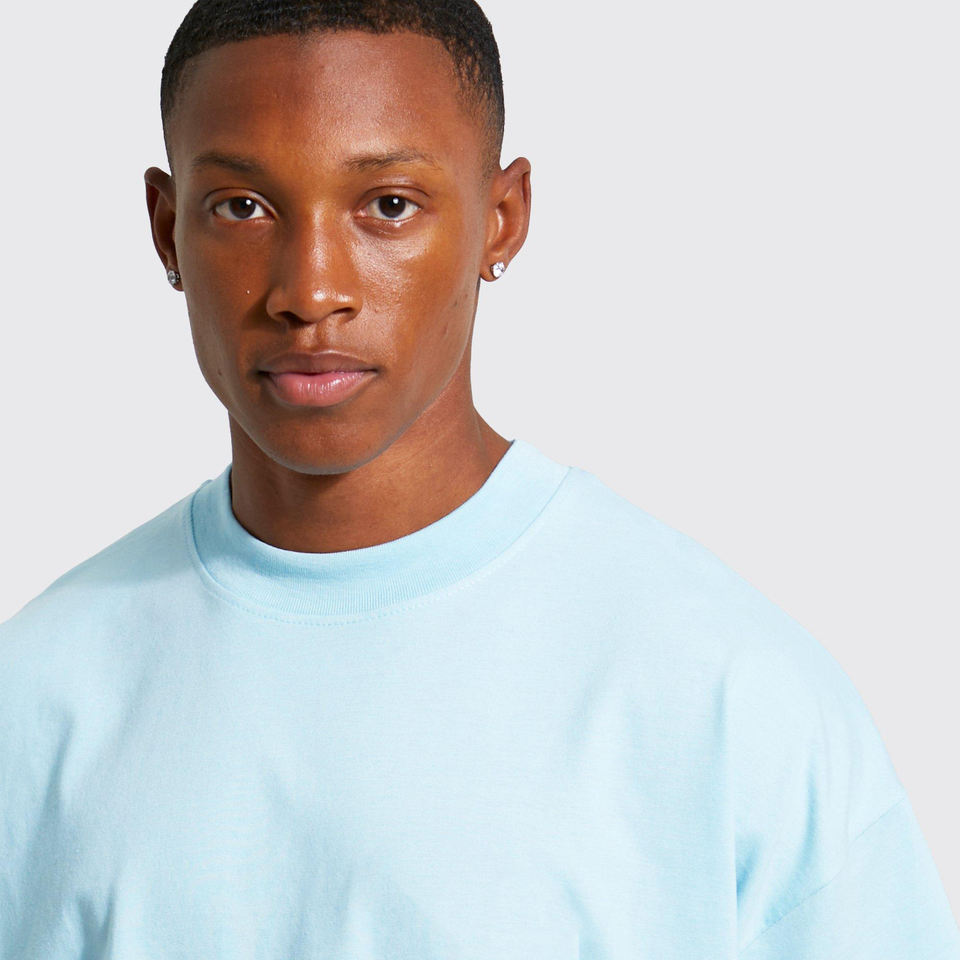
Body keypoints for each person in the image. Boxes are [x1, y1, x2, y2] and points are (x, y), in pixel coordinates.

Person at [1, 0, 957, 956]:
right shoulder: (36, 697)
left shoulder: (726, 697)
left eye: (388, 205)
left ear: (503, 220)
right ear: (168, 230)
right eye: (242, 207)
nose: (310, 289)